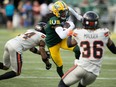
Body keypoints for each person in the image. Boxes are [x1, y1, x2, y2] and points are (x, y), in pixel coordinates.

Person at [58, 11, 116, 87]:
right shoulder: (104, 33)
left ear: (84, 22)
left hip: (81, 68)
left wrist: (69, 34)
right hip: (94, 73)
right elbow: (114, 50)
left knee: (62, 84)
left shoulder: (79, 32)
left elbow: (69, 44)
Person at [45, 1, 81, 78]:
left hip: (61, 40)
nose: (64, 13)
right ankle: (64, 80)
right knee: (59, 65)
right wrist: (71, 26)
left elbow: (70, 9)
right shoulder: (53, 20)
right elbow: (62, 35)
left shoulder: (61, 15)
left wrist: (78, 16)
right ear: (56, 12)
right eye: (62, 12)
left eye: (65, 11)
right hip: (52, 44)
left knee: (78, 50)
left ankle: (78, 63)